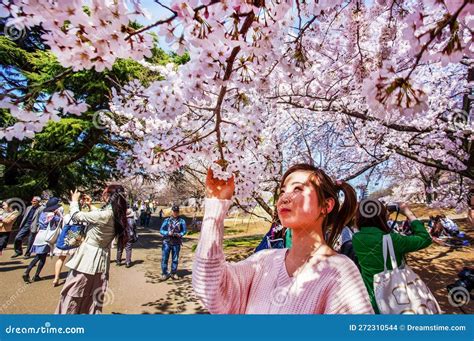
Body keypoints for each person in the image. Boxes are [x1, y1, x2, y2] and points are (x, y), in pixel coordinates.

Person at [192, 164, 373, 314]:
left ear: (326, 206)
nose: (284, 197)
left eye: (298, 189)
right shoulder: (264, 260)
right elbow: (210, 287)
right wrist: (216, 206)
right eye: (283, 191)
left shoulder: (339, 271)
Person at [56, 185, 127, 314]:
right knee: (93, 296)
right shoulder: (117, 213)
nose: (102, 195)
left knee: (74, 293)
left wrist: (74, 201)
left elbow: (77, 216)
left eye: (104, 193)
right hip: (101, 260)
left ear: (109, 196)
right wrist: (90, 206)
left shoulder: (106, 214)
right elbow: (100, 215)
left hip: (87, 260)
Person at [352, 201, 432, 314]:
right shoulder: (393, 239)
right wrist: (408, 213)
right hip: (396, 297)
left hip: (372, 296)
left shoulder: (356, 238)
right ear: (382, 215)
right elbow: (425, 239)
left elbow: (363, 228)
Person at [23, 198, 63, 283]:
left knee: (42, 257)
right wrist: (58, 214)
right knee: (39, 256)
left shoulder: (43, 213)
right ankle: (27, 271)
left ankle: (36, 275)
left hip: (40, 235)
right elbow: (59, 221)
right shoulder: (52, 215)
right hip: (46, 237)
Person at [160, 205, 187, 280]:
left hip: (176, 242)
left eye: (177, 211)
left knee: (175, 259)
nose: (175, 213)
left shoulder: (182, 221)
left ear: (178, 212)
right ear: (171, 211)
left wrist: (180, 234)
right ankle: (165, 273)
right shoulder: (167, 220)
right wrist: (167, 233)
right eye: (174, 211)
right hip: (167, 242)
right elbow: (161, 230)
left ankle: (173, 272)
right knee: (165, 258)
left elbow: (184, 231)